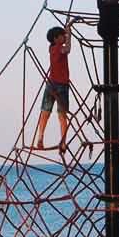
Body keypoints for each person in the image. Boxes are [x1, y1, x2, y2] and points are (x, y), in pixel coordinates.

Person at [31, 20, 76, 151]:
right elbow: (67, 49)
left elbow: (65, 49)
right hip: (61, 85)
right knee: (61, 115)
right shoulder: (58, 48)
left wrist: (67, 31)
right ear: (56, 38)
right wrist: (69, 34)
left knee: (45, 112)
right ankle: (62, 141)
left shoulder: (52, 48)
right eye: (62, 36)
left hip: (51, 84)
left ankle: (40, 138)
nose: (64, 37)